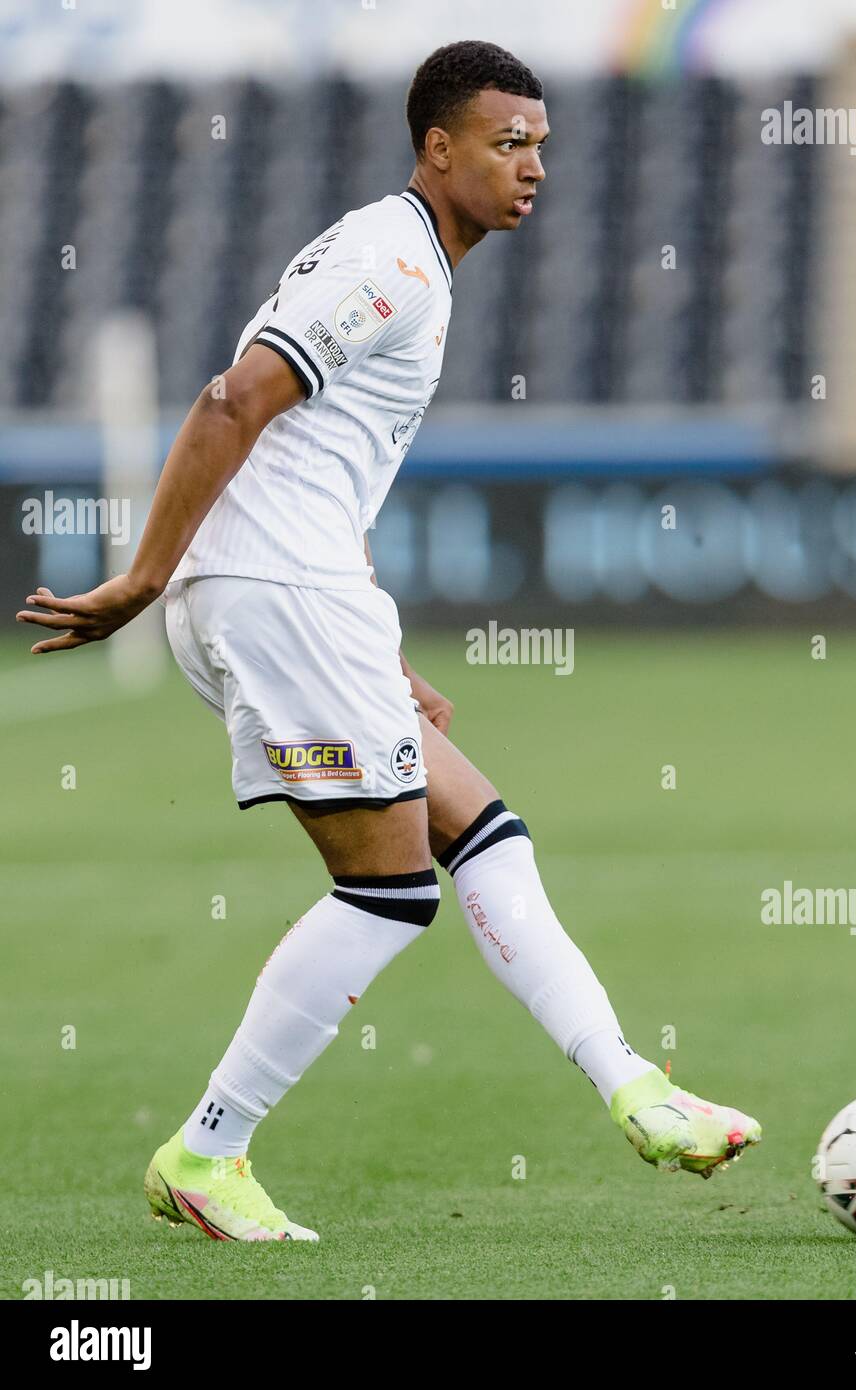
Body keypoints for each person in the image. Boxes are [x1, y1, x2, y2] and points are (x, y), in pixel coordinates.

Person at [16, 40, 760, 1242]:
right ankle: (207, 1152)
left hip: (307, 595)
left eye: (542, 146)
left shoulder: (415, 262)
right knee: (385, 892)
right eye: (508, 143)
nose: (532, 168)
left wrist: (378, 652)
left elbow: (320, 465)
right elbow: (228, 401)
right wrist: (143, 579)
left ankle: (634, 1084)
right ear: (438, 147)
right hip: (269, 592)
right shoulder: (387, 260)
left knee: (489, 835)